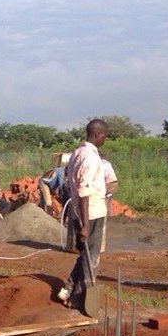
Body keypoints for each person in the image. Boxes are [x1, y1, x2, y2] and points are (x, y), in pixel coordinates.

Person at [56, 119, 109, 308]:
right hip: (91, 213)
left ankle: (68, 289)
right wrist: (86, 224)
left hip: (80, 210)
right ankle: (78, 299)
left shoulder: (77, 153)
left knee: (84, 255)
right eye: (104, 136)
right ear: (97, 135)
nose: (104, 140)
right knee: (91, 257)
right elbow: (84, 191)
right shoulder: (91, 157)